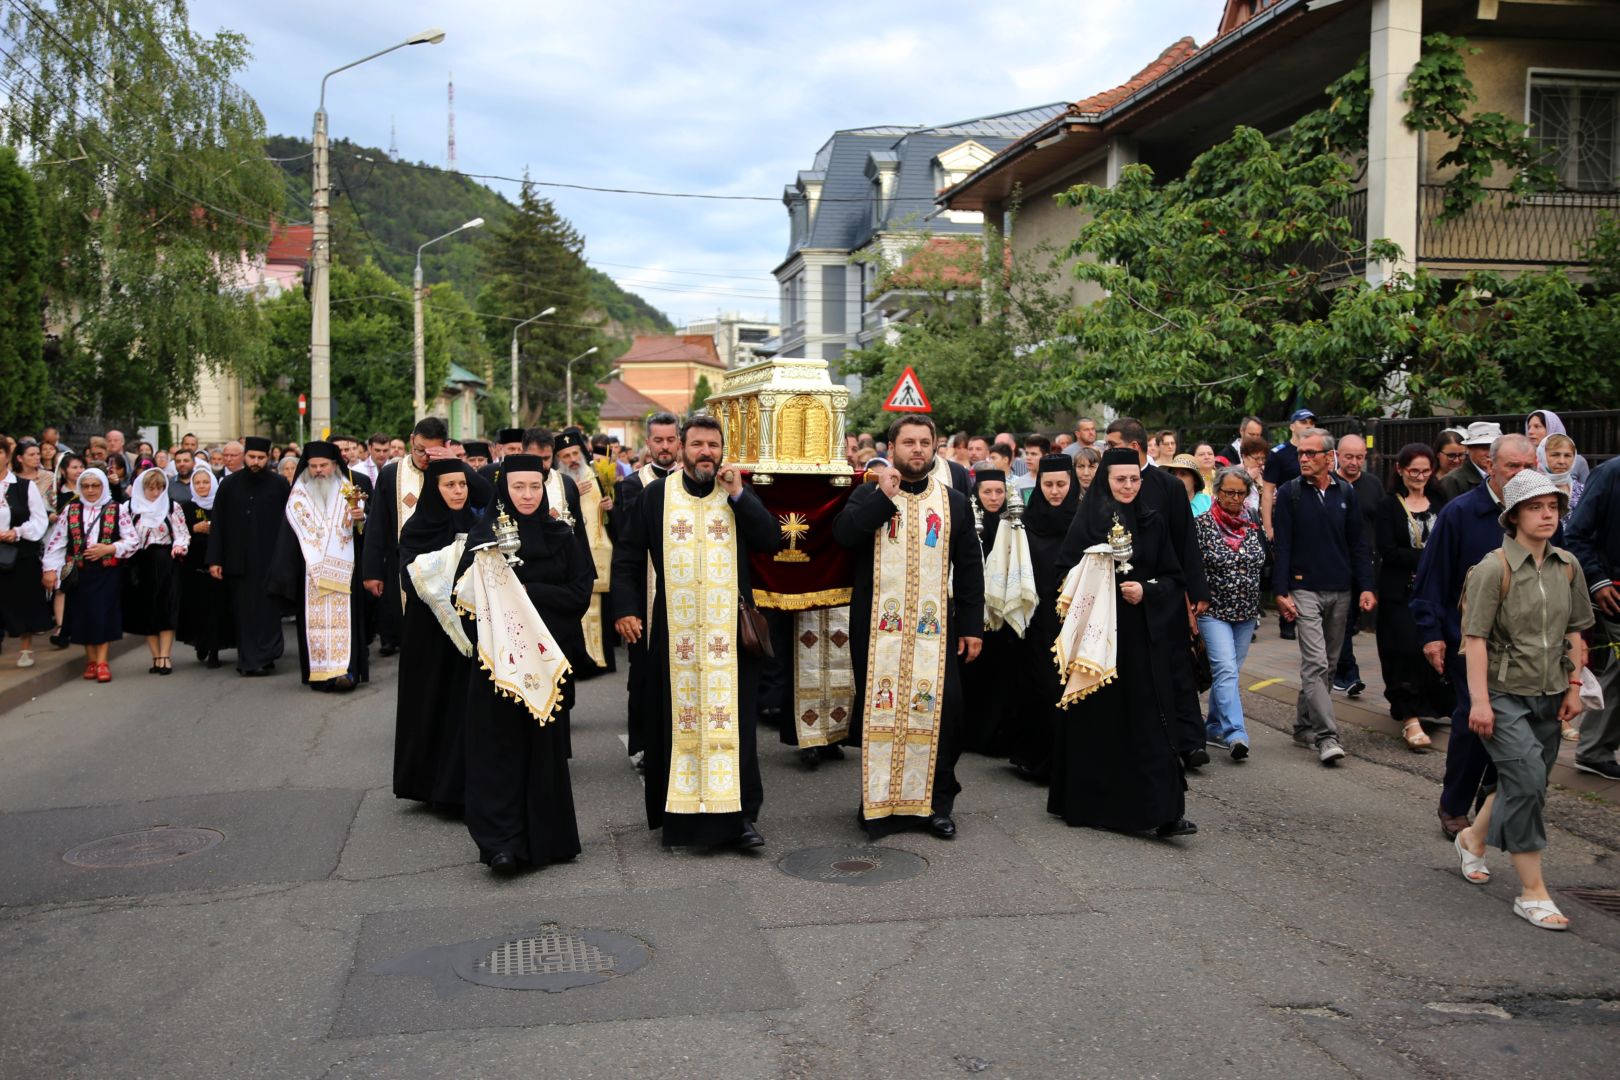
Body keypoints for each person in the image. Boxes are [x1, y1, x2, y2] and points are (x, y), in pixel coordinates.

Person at [612, 415, 780, 849]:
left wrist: (740, 494)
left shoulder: (737, 494)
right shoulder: (654, 497)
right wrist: (627, 608)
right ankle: (680, 818)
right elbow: (628, 556)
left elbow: (770, 540)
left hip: (731, 638)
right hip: (676, 635)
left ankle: (741, 819)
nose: (706, 452)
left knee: (735, 727)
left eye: (714, 445)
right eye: (698, 444)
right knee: (676, 723)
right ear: (682, 448)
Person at [1452, 471, 1592, 931]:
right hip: (1502, 694)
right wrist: (1479, 702)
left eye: (1553, 506)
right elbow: (1473, 640)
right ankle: (1533, 891)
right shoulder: (1492, 568)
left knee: (1520, 778)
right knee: (1529, 780)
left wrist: (1573, 689)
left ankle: (1473, 838)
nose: (1547, 514)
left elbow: (1575, 631)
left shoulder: (1568, 565)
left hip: (1551, 693)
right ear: (1513, 516)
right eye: (1536, 507)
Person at [835, 414, 983, 840]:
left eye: (924, 442)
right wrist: (883, 496)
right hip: (877, 632)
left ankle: (936, 804)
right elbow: (844, 536)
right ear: (892, 447)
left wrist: (973, 626)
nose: (917, 449)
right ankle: (878, 802)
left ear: (935, 447)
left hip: (936, 635)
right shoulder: (869, 492)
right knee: (880, 711)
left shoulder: (953, 500)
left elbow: (970, 567)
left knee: (944, 714)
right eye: (909, 443)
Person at [1049, 448, 1194, 837]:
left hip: (1142, 640)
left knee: (1150, 723)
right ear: (1106, 481)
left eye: (1134, 479)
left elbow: (1172, 578)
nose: (1128, 486)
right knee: (1098, 726)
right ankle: (1094, 804)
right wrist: (1098, 571)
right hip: (1099, 644)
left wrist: (1146, 591)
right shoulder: (1088, 521)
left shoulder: (1153, 521)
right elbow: (1065, 575)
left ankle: (1162, 812)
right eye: (1120, 480)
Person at [456, 456, 591, 873]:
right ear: (504, 489)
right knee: (498, 751)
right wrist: (506, 608)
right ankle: (501, 843)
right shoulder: (484, 538)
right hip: (498, 664)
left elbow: (580, 592)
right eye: (519, 488)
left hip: (549, 660)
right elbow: (463, 600)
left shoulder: (561, 534)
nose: (528, 496)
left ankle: (548, 839)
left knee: (543, 751)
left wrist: (530, 594)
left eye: (535, 487)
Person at [1411, 433, 1540, 838]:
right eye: (1512, 467)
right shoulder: (1461, 513)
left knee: (1519, 724)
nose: (1522, 474)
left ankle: (1493, 796)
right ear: (1491, 467)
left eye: (1529, 466)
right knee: (1473, 721)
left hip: (1526, 642)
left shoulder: (1542, 513)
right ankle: (1454, 806)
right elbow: (1433, 578)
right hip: (1469, 638)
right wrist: (1432, 634)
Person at [1068, 418, 1212, 769]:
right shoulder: (1103, 490)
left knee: (1176, 667)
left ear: (1133, 447)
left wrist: (1194, 589)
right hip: (1117, 601)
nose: (1128, 484)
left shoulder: (1167, 486)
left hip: (1163, 592)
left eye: (1112, 444)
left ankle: (1189, 741)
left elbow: (1184, 541)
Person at [1272, 428, 1376, 766]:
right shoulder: (1290, 493)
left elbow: (1358, 544)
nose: (1303, 458)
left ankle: (1304, 725)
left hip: (1341, 589)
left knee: (1329, 665)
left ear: (1328, 458)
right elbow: (1282, 544)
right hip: (1304, 589)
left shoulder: (1345, 492)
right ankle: (1327, 737)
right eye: (1301, 453)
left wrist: (1366, 587)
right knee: (1315, 663)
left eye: (1311, 453)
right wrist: (1280, 591)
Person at [394, 460, 490, 813]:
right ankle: (429, 785)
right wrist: (451, 560)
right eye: (449, 485)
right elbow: (409, 578)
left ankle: (462, 786)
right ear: (434, 489)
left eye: (462, 485)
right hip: (430, 636)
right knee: (432, 706)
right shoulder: (417, 528)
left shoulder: (477, 525)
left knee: (464, 707)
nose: (458, 491)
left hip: (467, 631)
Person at [269, 442, 369, 692]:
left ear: (335, 465)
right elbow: (289, 537)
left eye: (323, 465)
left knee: (345, 623)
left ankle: (346, 671)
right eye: (313, 466)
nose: (318, 470)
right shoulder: (298, 495)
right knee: (315, 626)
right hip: (310, 572)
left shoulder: (350, 491)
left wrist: (360, 521)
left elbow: (363, 532)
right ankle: (321, 673)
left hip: (345, 570)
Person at [613, 412, 682, 767]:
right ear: (648, 443)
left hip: (685, 589)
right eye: (659, 440)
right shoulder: (632, 485)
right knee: (642, 673)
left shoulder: (693, 482)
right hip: (645, 590)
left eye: (671, 440)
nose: (665, 447)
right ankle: (643, 744)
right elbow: (627, 549)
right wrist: (627, 607)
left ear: (679, 442)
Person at [1375, 444, 1455, 750]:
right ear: (1400, 470)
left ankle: (1430, 709)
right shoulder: (1388, 505)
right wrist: (1429, 558)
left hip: (1436, 591)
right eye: (1413, 471)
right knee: (1403, 652)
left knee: (1434, 649)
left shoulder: (1440, 500)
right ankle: (1408, 717)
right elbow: (1388, 551)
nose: (1419, 477)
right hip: (1400, 593)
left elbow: (1449, 540)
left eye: (1425, 471)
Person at [1010, 454, 1077, 781]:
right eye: (1048, 485)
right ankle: (1036, 758)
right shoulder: (1027, 523)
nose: (1055, 491)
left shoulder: (1083, 522)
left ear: (1072, 484)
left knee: (1071, 686)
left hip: (1075, 616)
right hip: (1037, 618)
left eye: (1061, 484)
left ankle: (1070, 761)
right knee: (1041, 685)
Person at [1196, 466, 1268, 759]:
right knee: (1225, 669)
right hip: (1214, 611)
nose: (1235, 498)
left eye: (1241, 492)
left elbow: (1263, 559)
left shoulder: (1252, 523)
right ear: (1217, 492)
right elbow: (1192, 568)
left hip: (1247, 611)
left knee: (1229, 672)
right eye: (1229, 492)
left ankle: (1213, 725)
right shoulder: (1201, 525)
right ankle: (1236, 733)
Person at [363, 417, 449, 658]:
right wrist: (372, 572)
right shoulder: (392, 474)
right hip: (400, 566)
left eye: (432, 452)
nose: (424, 457)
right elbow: (377, 525)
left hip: (442, 566)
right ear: (412, 441)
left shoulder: (449, 473)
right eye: (420, 450)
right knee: (408, 640)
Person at [207, 436, 291, 676]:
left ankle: (266, 655)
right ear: (244, 457)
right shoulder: (229, 485)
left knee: (268, 610)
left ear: (268, 458)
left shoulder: (279, 485)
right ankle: (249, 660)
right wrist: (215, 559)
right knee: (244, 612)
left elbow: (289, 524)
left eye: (261, 458)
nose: (255, 462)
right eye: (252, 457)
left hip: (270, 560)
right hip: (238, 560)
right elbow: (219, 524)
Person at [42, 468, 134, 682]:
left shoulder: (116, 509)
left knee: (101, 614)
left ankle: (102, 662)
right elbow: (57, 542)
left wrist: (109, 548)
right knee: (84, 616)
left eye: (95, 485)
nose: (91, 490)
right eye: (86, 486)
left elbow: (132, 540)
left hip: (107, 572)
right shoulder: (71, 510)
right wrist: (49, 569)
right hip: (79, 573)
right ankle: (91, 660)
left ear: (103, 486)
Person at [1566, 455, 1620, 779]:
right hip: (1614, 591)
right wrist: (1597, 579)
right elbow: (1576, 534)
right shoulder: (1610, 473)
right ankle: (1594, 750)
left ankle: (1594, 749)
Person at [554, 428, 616, 675]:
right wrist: (570, 493)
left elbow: (616, 519)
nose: (572, 459)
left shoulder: (600, 476)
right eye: (566, 455)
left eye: (575, 453)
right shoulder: (556, 483)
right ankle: (577, 662)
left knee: (599, 608)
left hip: (598, 550)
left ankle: (600, 660)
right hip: (571, 555)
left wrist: (612, 506)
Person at [962, 468, 1014, 755]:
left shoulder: (1015, 522)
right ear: (976, 494)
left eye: (999, 492)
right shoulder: (969, 522)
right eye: (987, 492)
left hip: (1004, 611)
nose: (994, 498)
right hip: (975, 610)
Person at [122, 467, 190, 675]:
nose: (155, 493)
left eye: (160, 488)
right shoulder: (129, 508)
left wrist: (180, 546)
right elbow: (126, 535)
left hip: (164, 562)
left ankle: (165, 656)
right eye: (151, 488)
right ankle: (155, 656)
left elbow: (182, 533)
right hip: (139, 562)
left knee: (166, 607)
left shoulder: (171, 507)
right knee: (146, 610)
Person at [1331, 434, 1383, 697]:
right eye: (1348, 456)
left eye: (1359, 457)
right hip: (1336, 563)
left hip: (1366, 562)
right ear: (1337, 455)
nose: (1354, 462)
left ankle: (1341, 671)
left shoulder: (1373, 485)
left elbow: (1381, 523)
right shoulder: (1329, 485)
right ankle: (1349, 673)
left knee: (1351, 622)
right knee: (1342, 619)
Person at [1262, 408, 1318, 641]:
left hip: (1313, 521)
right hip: (1286, 520)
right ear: (1292, 426)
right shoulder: (1280, 454)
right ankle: (1287, 619)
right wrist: (1268, 526)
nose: (1308, 425)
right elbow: (1267, 491)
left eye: (1311, 422)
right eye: (1303, 421)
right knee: (1284, 567)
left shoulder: (1319, 452)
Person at [0, 440, 52, 667]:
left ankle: (25, 647)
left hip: (20, 553)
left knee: (23, 599)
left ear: (8, 454)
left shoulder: (23, 486)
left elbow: (39, 519)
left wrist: (17, 531)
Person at [176, 468, 233, 668]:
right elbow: (177, 532)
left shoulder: (221, 504)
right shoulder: (186, 507)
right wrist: (194, 529)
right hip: (194, 566)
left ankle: (215, 650)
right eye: (198, 482)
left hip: (217, 563)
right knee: (198, 608)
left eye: (205, 482)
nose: (202, 486)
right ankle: (201, 643)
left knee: (216, 608)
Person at [1526, 408, 1590, 486]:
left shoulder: (1578, 461)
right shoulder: (1526, 460)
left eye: (1537, 426)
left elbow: (1587, 493)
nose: (1530, 432)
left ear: (1552, 427)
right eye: (1529, 427)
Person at [1438, 422, 1500, 501]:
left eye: (1494, 448)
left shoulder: (1503, 475)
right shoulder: (1453, 481)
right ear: (1469, 448)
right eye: (1484, 448)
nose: (1489, 453)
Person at [1540, 433, 1583, 513]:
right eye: (1555, 455)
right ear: (1542, 456)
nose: (1562, 461)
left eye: (1567, 455)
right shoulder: (1530, 488)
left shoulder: (1582, 491)